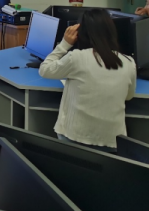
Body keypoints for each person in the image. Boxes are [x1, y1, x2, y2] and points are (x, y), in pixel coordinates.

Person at [40, 9, 137, 152]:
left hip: (74, 137)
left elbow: (44, 69)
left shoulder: (77, 57)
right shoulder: (129, 62)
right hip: (112, 141)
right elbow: (129, 96)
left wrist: (64, 44)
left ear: (82, 33)